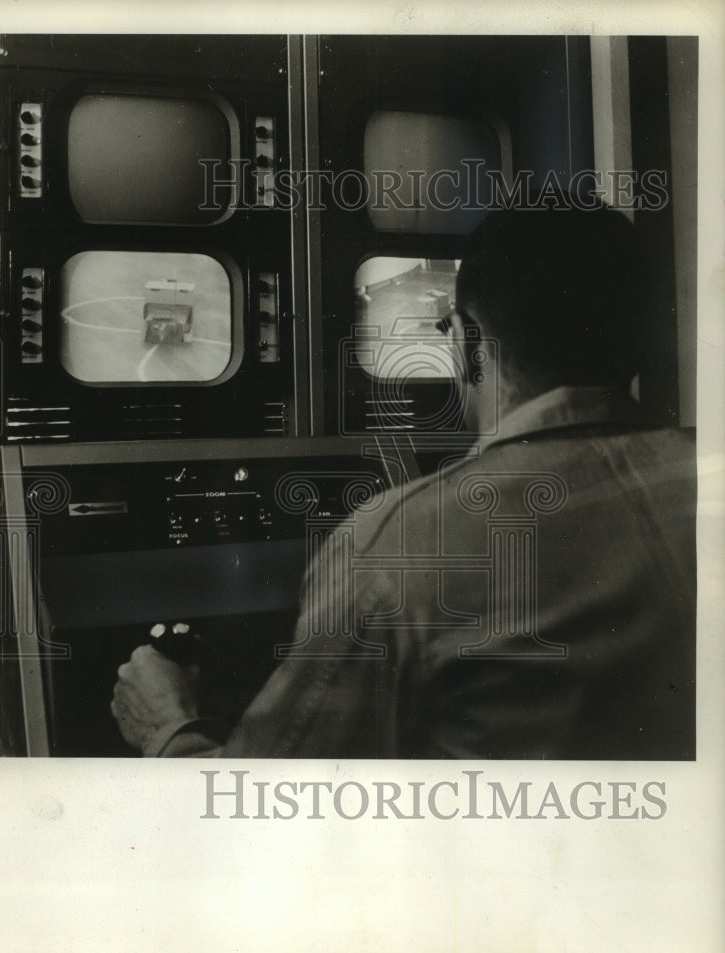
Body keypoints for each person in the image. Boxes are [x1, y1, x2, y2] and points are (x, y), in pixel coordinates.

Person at [111, 202, 696, 760]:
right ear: (644, 338)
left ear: (468, 344)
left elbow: (273, 813)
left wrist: (169, 728)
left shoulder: (396, 545)